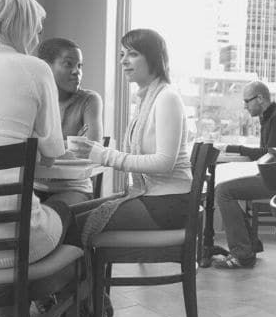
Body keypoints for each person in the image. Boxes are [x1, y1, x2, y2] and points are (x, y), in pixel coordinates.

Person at [0, 0, 78, 317]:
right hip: (13, 246)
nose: (38, 37)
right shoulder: (33, 70)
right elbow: (52, 150)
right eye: (36, 28)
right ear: (18, 25)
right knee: (73, 204)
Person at [69, 28, 192, 237]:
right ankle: (86, 270)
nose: (123, 61)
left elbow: (164, 162)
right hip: (151, 197)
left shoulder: (166, 98)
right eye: (122, 55)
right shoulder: (146, 100)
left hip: (168, 203)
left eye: (132, 54)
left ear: (155, 59)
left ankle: (87, 270)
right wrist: (94, 149)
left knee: (72, 225)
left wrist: (102, 155)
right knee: (66, 215)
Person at [213, 80, 276, 269]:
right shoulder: (270, 118)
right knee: (226, 186)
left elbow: (267, 153)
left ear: (260, 98)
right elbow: (267, 152)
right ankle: (249, 246)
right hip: (275, 178)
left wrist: (234, 148)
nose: (245, 106)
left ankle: (242, 254)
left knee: (223, 191)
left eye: (247, 101)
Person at [34, 37, 104, 205]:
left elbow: (92, 148)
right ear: (46, 67)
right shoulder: (35, 99)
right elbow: (26, 148)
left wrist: (45, 147)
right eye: (68, 64)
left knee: (50, 217)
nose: (76, 71)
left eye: (80, 65)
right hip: (35, 188)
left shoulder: (90, 100)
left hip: (75, 189)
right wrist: (70, 144)